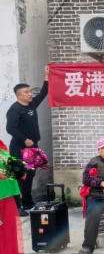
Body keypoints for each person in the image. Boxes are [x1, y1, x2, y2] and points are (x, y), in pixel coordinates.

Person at [6, 65, 49, 215]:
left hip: (32, 148)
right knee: (19, 176)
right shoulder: (15, 109)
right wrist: (24, 139)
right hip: (19, 148)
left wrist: (46, 76)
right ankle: (17, 207)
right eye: (26, 92)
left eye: (30, 91)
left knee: (30, 174)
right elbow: (10, 128)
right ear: (19, 95)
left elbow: (43, 93)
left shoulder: (31, 105)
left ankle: (28, 202)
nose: (30, 94)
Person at [0, 139, 23, 254]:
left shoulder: (1, 145)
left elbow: (12, 164)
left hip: (6, 195)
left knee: (7, 233)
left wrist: (22, 167)